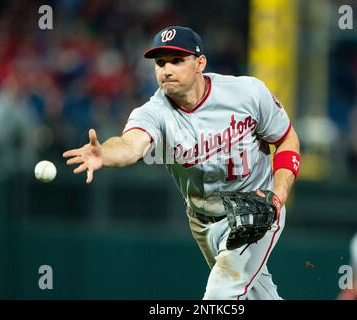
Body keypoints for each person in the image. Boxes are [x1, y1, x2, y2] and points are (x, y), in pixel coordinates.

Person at [63, 26, 300, 300]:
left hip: (257, 210)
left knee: (220, 295)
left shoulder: (246, 93)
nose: (166, 69)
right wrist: (104, 153)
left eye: (177, 60)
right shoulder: (154, 112)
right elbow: (131, 144)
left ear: (200, 63)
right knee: (258, 297)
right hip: (202, 221)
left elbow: (286, 139)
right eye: (160, 62)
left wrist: (277, 197)